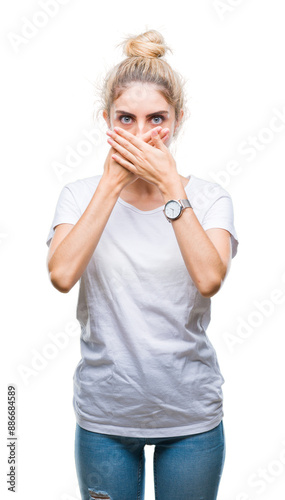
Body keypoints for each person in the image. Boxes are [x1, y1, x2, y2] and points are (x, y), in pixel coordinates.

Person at [46, 29, 239, 500]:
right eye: (125, 119)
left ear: (176, 121)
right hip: (105, 418)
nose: (139, 134)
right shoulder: (78, 196)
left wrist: (173, 189)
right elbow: (61, 274)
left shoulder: (210, 198)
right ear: (106, 122)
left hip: (191, 417)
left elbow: (210, 277)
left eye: (156, 118)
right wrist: (111, 185)